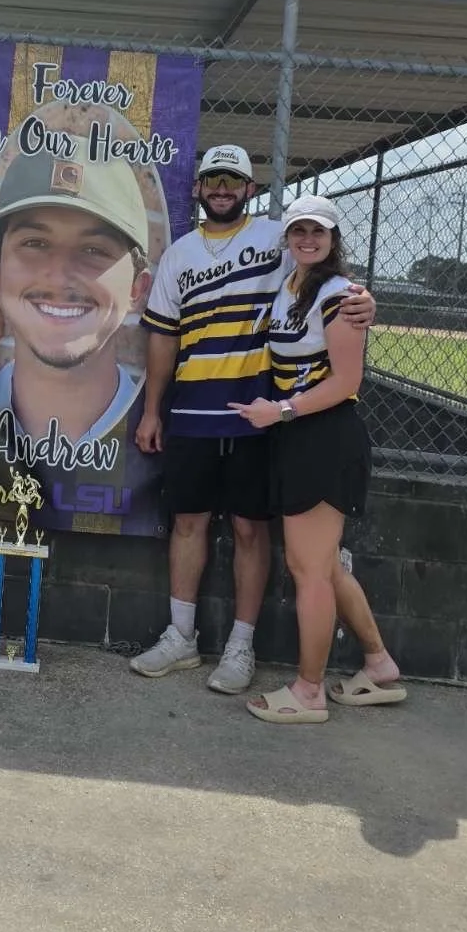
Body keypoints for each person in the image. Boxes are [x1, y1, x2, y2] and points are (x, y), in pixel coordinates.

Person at [130, 146, 374, 691]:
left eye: (233, 179)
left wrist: (364, 299)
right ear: (197, 188)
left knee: (248, 527)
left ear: (249, 187)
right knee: (188, 522)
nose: (222, 188)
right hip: (192, 408)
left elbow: (327, 274)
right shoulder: (179, 254)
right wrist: (152, 410)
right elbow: (164, 335)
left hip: (259, 414)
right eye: (212, 178)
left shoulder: (276, 238)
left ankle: (241, 646)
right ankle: (181, 636)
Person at [230, 194, 406, 722]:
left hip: (322, 435)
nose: (308, 239)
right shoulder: (294, 286)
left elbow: (347, 381)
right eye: (299, 230)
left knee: (307, 569)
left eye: (319, 232)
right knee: (323, 564)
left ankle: (309, 692)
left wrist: (280, 410)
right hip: (302, 434)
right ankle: (378, 665)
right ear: (288, 237)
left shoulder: (338, 294)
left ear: (333, 239)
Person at [0, 142, 153, 443]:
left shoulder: (154, 421)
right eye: (35, 243)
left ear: (136, 287)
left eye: (94, 250)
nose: (60, 277)